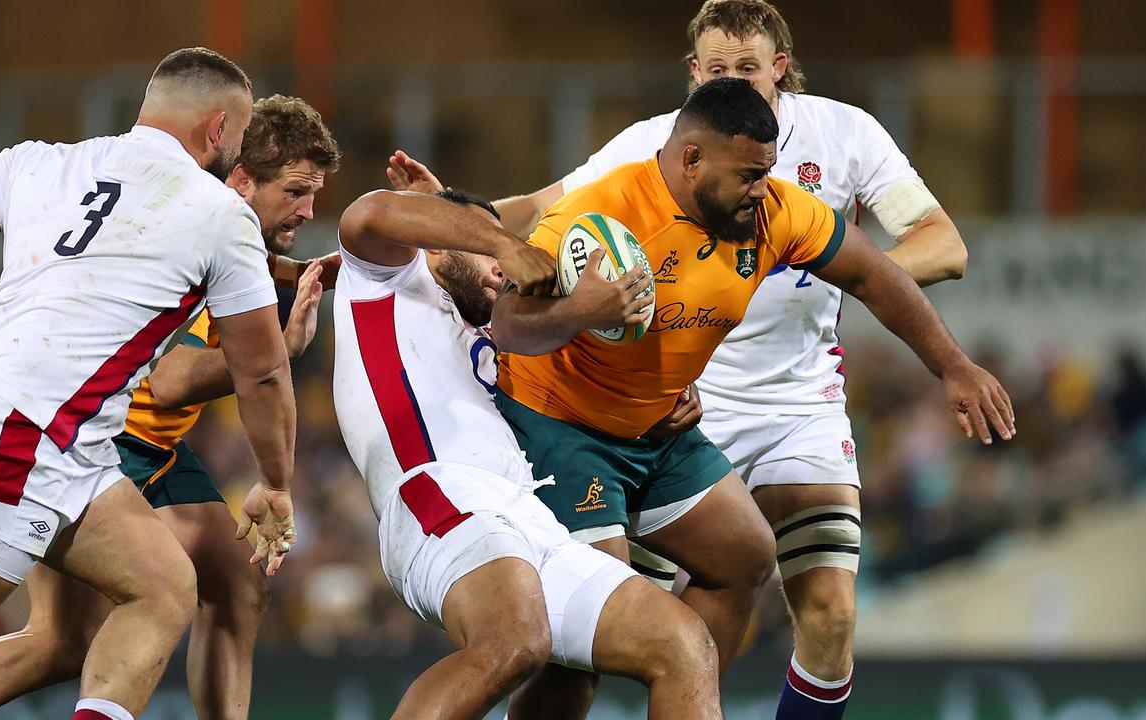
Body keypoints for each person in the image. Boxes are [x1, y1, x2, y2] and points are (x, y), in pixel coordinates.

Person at [389, 2, 974, 716]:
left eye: (748, 68)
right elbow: (526, 250)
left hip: (777, 406)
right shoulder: (632, 168)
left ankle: (684, 689)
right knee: (589, 642)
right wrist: (443, 219)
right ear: (693, 90)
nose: (762, 188)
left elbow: (908, 260)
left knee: (793, 595)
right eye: (718, 69)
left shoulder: (818, 160)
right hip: (630, 413)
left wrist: (950, 363)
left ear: (779, 70)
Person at [0, 94, 339, 720]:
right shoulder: (213, 227)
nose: (310, 210)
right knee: (11, 630)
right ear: (234, 165)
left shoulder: (85, 173)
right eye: (295, 191)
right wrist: (282, 371)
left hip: (90, 446)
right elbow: (189, 379)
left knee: (172, 587)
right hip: (64, 434)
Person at [332, 187, 723, 720]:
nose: (504, 269)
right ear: (438, 245)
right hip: (438, 491)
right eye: (490, 256)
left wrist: (660, 393)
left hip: (528, 516)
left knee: (681, 643)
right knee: (513, 640)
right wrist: (500, 240)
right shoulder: (387, 282)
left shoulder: (499, 342)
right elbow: (369, 212)